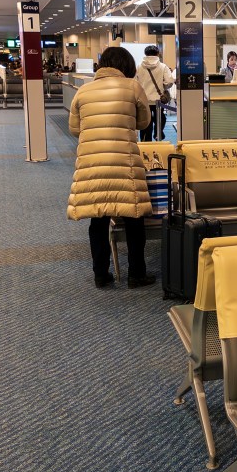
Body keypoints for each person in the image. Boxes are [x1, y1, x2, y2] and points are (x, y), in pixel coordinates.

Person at [68, 46, 154, 289]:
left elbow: (75, 129)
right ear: (126, 66)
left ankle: (101, 274)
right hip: (125, 164)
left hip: (92, 164)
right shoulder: (132, 87)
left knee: (98, 220)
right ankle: (136, 274)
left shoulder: (83, 91)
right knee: (134, 219)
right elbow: (144, 122)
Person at [134, 45, 175, 142]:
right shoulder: (163, 66)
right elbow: (169, 81)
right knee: (160, 119)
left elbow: (135, 82)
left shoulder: (139, 67)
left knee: (146, 122)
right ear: (157, 53)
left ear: (145, 54)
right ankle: (158, 134)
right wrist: (163, 87)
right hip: (158, 100)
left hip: (144, 100)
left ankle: (146, 142)